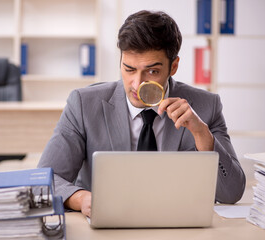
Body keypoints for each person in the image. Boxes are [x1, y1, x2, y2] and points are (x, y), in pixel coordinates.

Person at [38, 10, 246, 217]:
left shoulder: (206, 106)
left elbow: (232, 193)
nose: (137, 84)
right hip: (108, 223)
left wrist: (203, 135)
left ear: (173, 67)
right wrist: (82, 198)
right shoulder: (83, 104)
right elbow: (45, 179)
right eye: (129, 69)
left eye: (152, 71)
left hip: (177, 223)